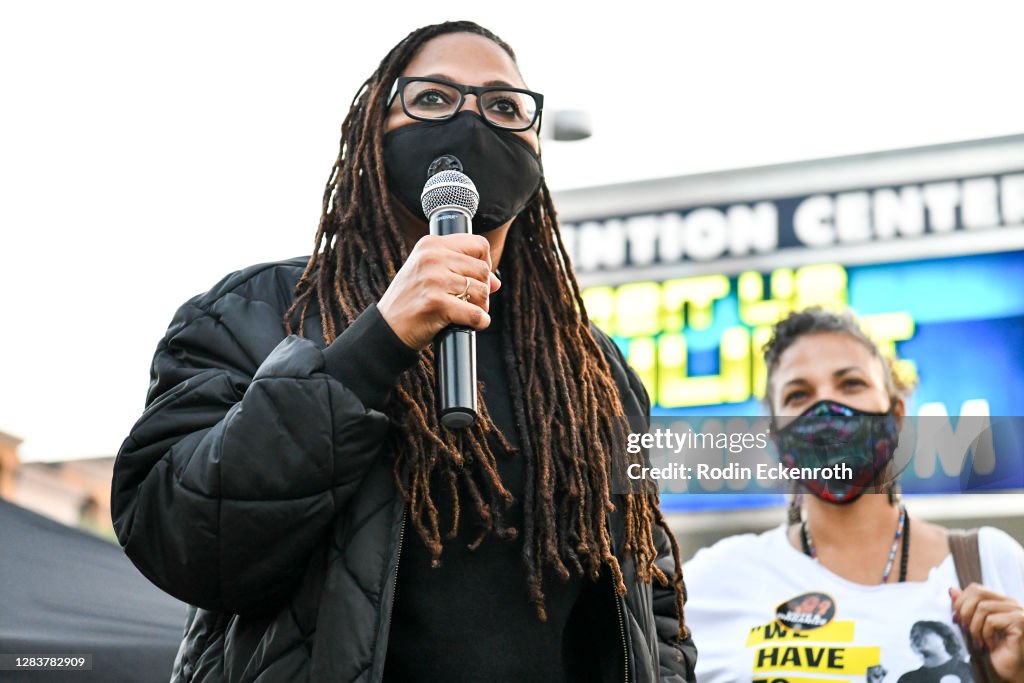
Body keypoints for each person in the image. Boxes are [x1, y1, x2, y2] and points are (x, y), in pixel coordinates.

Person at [110, 20, 696, 683]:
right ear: (373, 134)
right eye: (434, 99)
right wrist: (373, 346)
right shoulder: (257, 313)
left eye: (504, 107)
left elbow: (653, 591)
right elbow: (180, 537)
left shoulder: (594, 371)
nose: (472, 121)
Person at [682, 307, 1024, 681]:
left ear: (895, 416)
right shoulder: (714, 581)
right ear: (775, 436)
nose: (826, 408)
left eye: (851, 384)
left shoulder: (989, 563)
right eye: (799, 394)